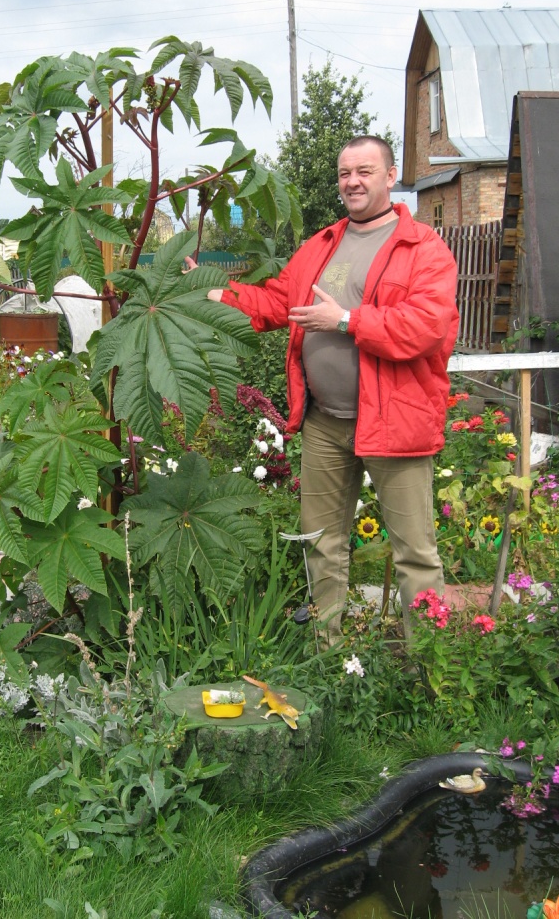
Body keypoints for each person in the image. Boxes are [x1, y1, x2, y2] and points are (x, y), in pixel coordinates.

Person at [187, 135, 458, 646]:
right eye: (344, 173)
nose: (352, 182)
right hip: (326, 422)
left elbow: (425, 326)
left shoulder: (423, 248)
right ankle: (327, 656)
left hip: (395, 423)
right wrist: (213, 292)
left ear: (390, 175)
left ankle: (430, 664)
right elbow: (276, 302)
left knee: (416, 554)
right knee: (321, 542)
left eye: (364, 171)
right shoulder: (322, 245)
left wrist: (347, 320)